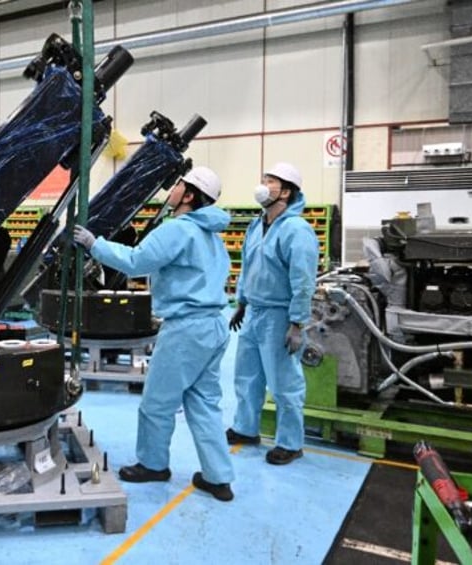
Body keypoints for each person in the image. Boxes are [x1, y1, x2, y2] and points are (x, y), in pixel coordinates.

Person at [73, 166, 235, 501]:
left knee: (157, 403)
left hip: (186, 329)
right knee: (204, 403)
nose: (171, 189)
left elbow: (136, 261)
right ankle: (219, 477)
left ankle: (153, 464)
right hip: (214, 325)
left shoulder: (179, 229)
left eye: (178, 185)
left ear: (189, 195)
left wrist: (94, 244)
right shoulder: (211, 234)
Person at [226, 162, 319, 465]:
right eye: (264, 178)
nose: (263, 184)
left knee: (284, 383)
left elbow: (303, 280)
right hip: (254, 313)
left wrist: (297, 323)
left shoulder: (296, 229)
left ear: (287, 191)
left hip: (280, 316)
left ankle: (291, 443)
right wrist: (240, 302)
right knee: (247, 377)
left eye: (271, 180)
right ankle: (245, 428)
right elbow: (248, 267)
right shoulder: (257, 224)